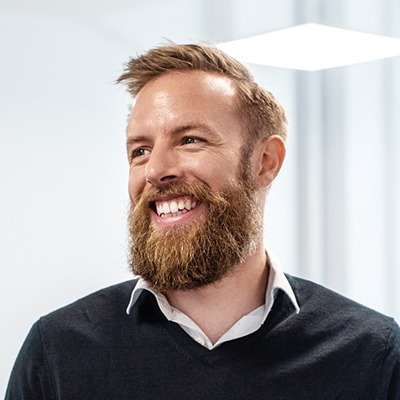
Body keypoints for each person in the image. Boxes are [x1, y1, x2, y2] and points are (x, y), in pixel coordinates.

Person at [6, 43, 400, 400]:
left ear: (265, 162)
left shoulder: (371, 352)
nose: (156, 169)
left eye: (190, 140)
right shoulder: (57, 352)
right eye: (140, 150)